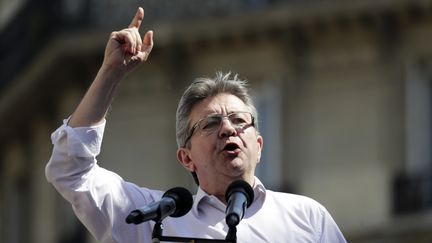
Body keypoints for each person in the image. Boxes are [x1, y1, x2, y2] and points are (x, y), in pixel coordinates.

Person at [45, 7, 347, 243]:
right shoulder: (158, 218)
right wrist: (110, 73)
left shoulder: (307, 218)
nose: (228, 129)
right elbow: (71, 171)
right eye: (210, 124)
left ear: (258, 145)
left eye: (240, 121)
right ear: (186, 157)